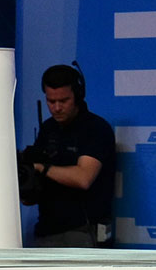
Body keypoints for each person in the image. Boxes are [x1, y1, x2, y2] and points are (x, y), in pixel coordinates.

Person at [23, 64, 115, 247]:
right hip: (46, 230)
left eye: (64, 101)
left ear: (78, 96)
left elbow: (83, 178)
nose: (57, 108)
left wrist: (41, 168)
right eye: (51, 101)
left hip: (83, 231)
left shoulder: (96, 128)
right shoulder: (48, 129)